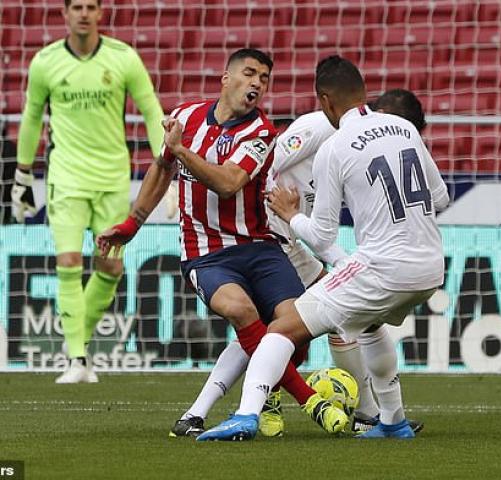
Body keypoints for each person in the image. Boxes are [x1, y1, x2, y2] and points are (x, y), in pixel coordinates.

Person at [96, 48, 349, 437]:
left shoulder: (261, 131)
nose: (257, 83)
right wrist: (133, 223)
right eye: (249, 74)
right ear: (225, 79)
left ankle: (254, 398)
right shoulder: (185, 117)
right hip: (207, 253)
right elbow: (162, 167)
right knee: (242, 310)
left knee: (295, 331)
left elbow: (229, 183)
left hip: (259, 247)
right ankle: (310, 401)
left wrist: (181, 151)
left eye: (264, 78)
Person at [197, 56, 449, 441]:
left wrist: (291, 214)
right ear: (365, 92)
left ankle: (247, 415)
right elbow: (441, 197)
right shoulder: (402, 127)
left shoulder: (336, 145)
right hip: (431, 266)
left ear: (325, 101)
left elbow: (322, 236)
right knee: (367, 323)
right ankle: (390, 420)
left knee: (280, 329)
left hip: (379, 266)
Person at [12, 0, 165, 383]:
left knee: (111, 267)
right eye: (76, 6)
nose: (83, 13)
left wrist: (166, 161)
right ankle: (78, 358)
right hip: (65, 177)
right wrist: (22, 175)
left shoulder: (123, 58)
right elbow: (31, 117)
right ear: (64, 14)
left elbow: (150, 109)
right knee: (67, 262)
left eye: (90, 6)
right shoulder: (45, 62)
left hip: (113, 177)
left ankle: (74, 340)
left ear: (100, 13)